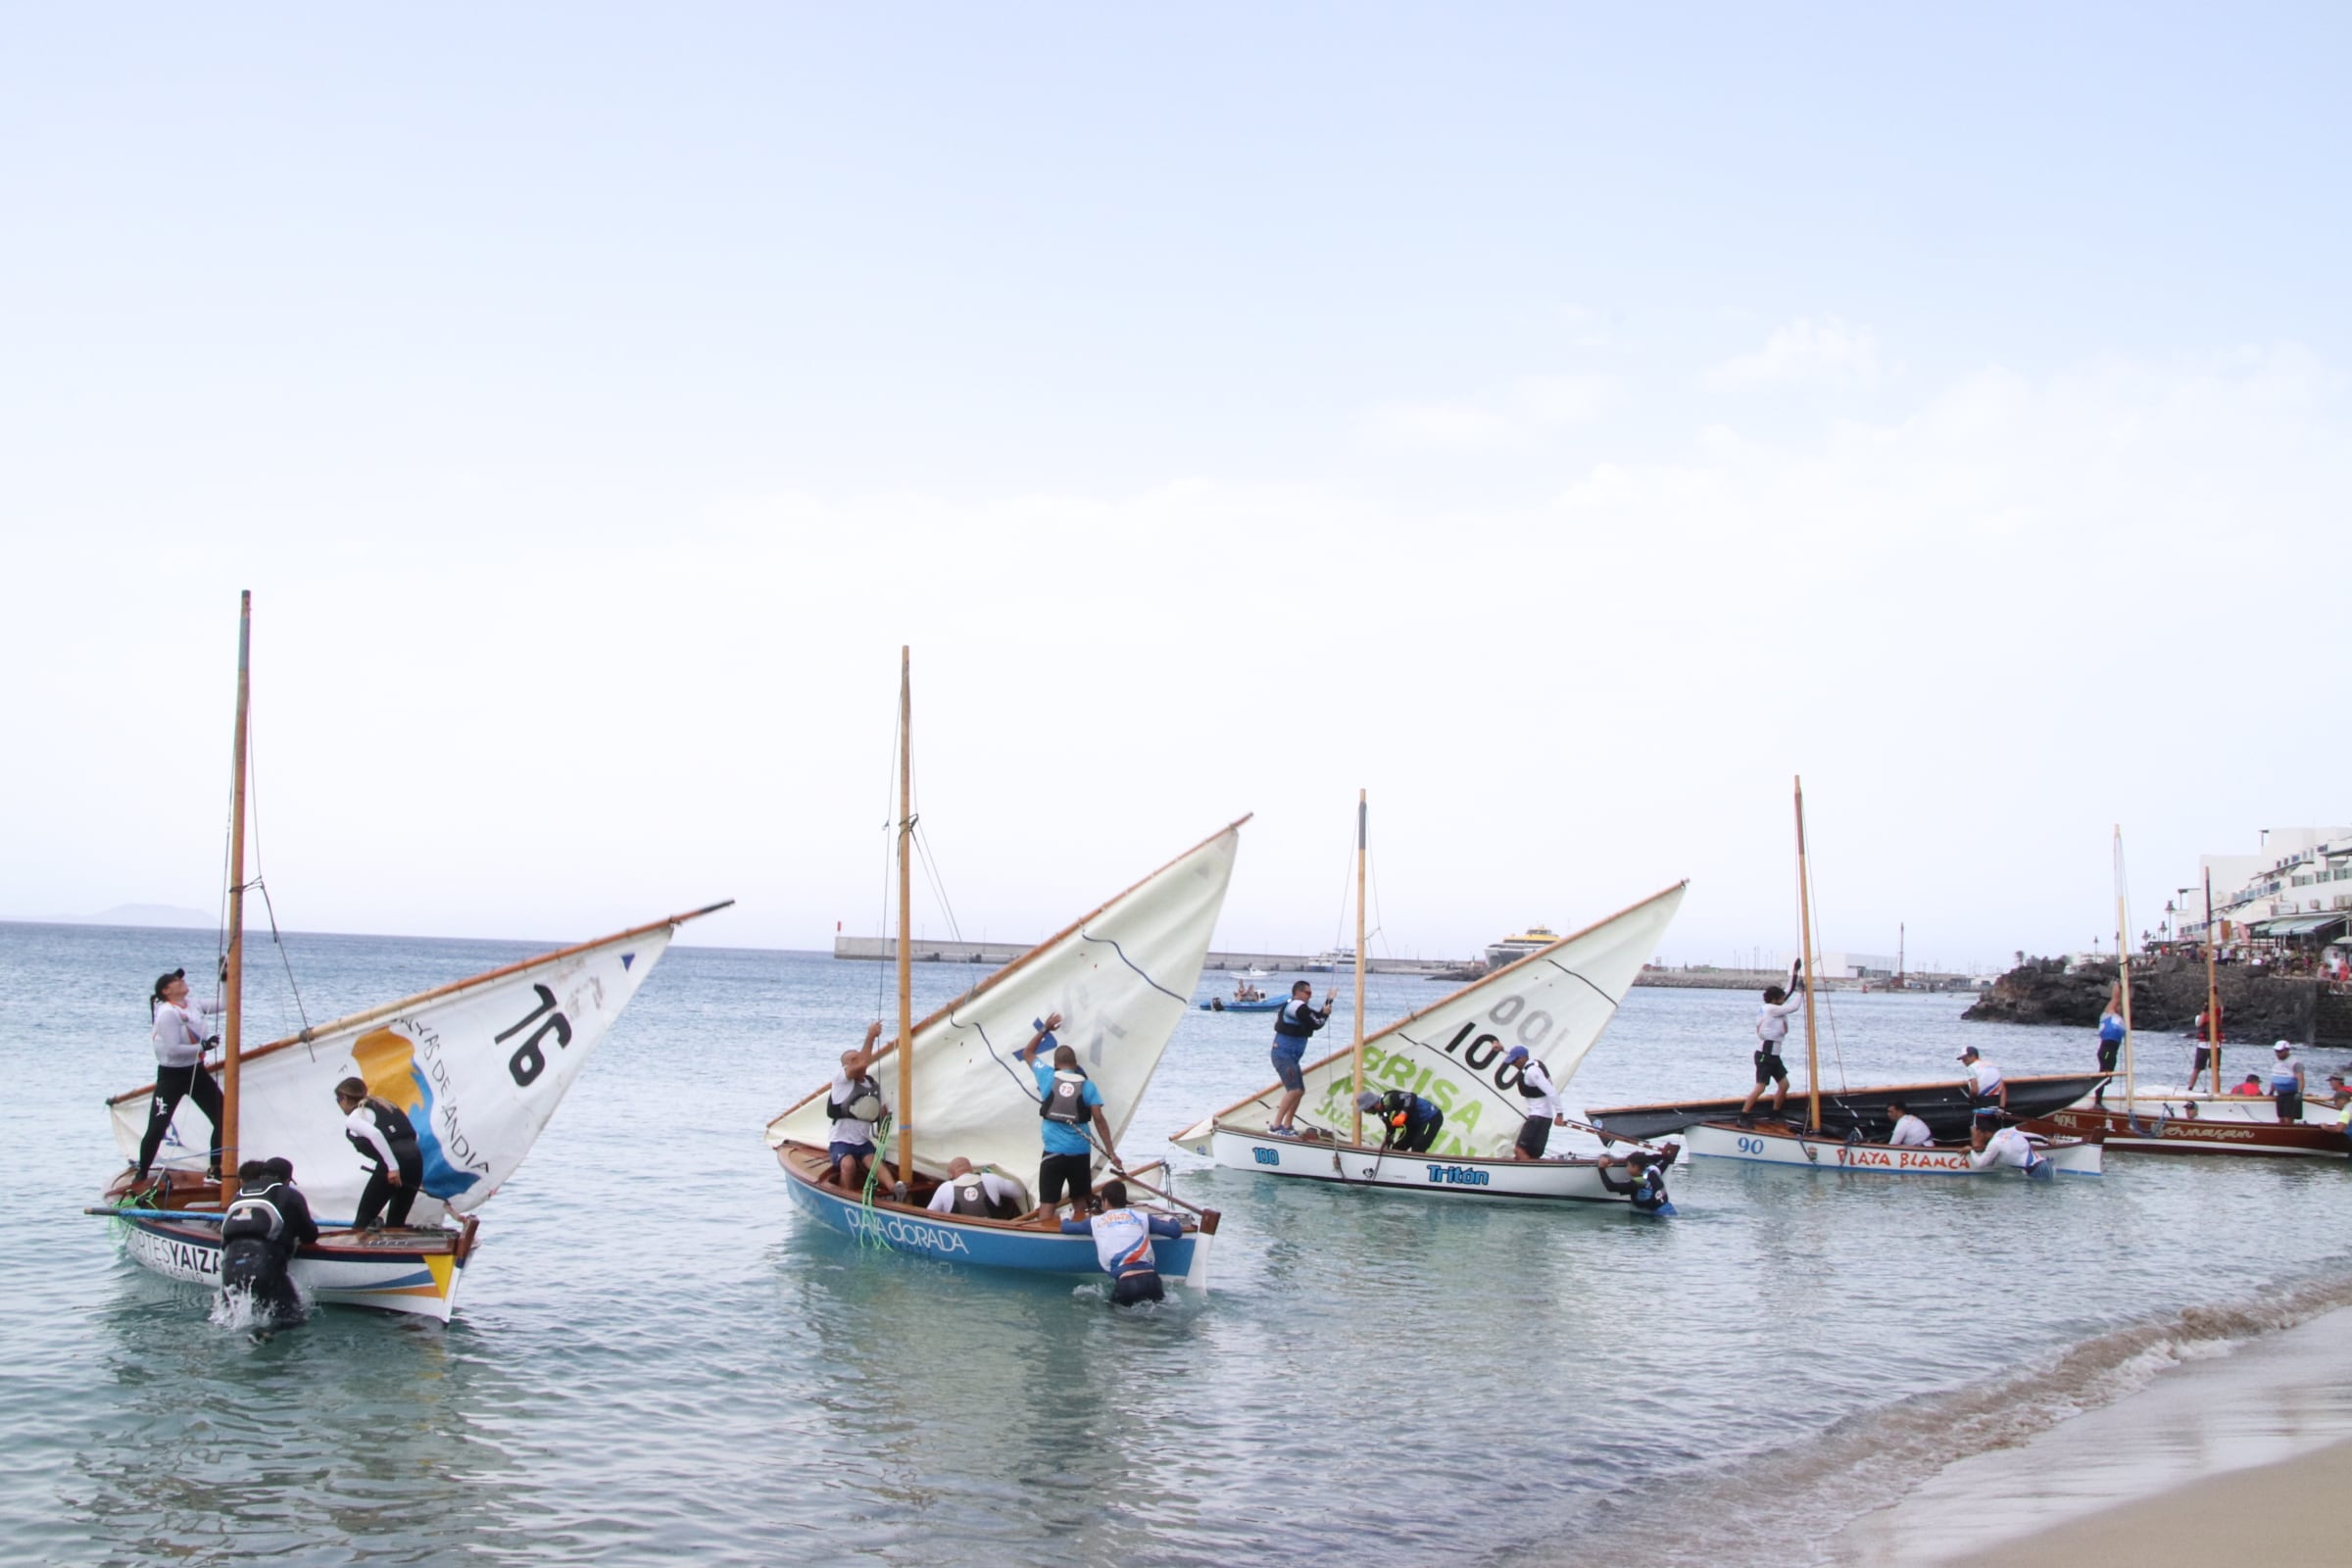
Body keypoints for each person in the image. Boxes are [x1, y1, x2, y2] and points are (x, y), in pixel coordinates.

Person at [1017, 1014, 1123, 1212]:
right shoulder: (1088, 1086)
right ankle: (1078, 1234)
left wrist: (1045, 1029)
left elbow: (1027, 1053)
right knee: (1080, 1202)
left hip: (1053, 1154)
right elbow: (1099, 1120)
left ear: (1056, 1064)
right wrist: (1111, 1152)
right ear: (1075, 1065)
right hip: (1080, 1154)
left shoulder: (1047, 1075)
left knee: (1047, 1203)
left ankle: (1045, 1239)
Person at [135, 967, 226, 1183]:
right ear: (166, 990)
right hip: (172, 1076)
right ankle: (142, 1172)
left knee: (223, 1118)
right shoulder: (167, 1012)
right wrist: (203, 1045)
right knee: (157, 1127)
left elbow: (224, 1004)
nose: (182, 982)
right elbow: (173, 1048)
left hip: (196, 1072)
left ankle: (215, 1169)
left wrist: (225, 980)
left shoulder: (193, 1004)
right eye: (177, 981)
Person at [218, 1155, 318, 1327]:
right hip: (265, 1265)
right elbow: (310, 1234)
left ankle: (257, 1336)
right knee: (291, 1320)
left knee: (236, 1320)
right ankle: (263, 1335)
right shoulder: (290, 1194)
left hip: (229, 1267)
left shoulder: (241, 1194)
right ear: (287, 1179)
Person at [1058, 1179, 1182, 1306]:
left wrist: (1066, 1217)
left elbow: (1066, 1228)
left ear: (1105, 1202)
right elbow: (1175, 1232)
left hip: (1127, 1284)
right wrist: (1170, 1217)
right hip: (1153, 1282)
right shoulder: (1141, 1217)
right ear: (1125, 1200)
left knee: (1118, 1319)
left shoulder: (1095, 1222)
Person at [334, 1076, 422, 1229]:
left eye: (338, 1100)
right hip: (415, 1160)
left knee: (363, 1220)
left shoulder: (355, 1117)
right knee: (396, 1222)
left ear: (344, 1098)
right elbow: (413, 1135)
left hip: (394, 1163)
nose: (339, 1105)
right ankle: (400, 1251)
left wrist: (393, 1168)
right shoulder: (385, 1104)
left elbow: (376, 1135)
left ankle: (357, 1251)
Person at [823, 1022, 893, 1192]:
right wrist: (871, 1037)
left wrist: (884, 1124)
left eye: (858, 1058)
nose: (857, 1062)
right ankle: (845, 1196)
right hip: (841, 1142)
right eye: (852, 1060)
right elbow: (862, 1065)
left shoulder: (872, 1085)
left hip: (863, 1141)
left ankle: (895, 1188)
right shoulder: (841, 1080)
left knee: (873, 1162)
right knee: (848, 1164)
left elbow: (883, 1111)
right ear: (844, 1066)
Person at [1266, 982, 1333, 1137]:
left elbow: (1316, 1017)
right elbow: (1317, 1022)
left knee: (1300, 1091)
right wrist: (1325, 1013)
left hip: (1292, 1057)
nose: (1310, 996)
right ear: (1298, 993)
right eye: (1308, 993)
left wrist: (1329, 1001)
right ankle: (1276, 1126)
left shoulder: (1300, 1008)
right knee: (1294, 1090)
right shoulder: (1296, 1006)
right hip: (1283, 1055)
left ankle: (1287, 1125)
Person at [1740, 968, 1806, 1124]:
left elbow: (1787, 991)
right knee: (1761, 1087)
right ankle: (1743, 1115)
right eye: (1781, 998)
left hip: (1775, 1054)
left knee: (1784, 1085)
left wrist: (1795, 973)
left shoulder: (1774, 1006)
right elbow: (1793, 1007)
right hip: (1765, 1054)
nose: (1784, 999)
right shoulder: (1770, 1009)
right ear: (1775, 999)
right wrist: (1802, 993)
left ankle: (1775, 1113)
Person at [1504, 1045, 1567, 1159]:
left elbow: (1551, 1091)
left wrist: (1560, 1114)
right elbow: (1516, 1054)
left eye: (1514, 1061)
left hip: (1537, 1118)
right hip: (1545, 1118)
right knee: (1533, 1155)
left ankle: (1526, 1176)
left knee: (1519, 1150)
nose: (1513, 1064)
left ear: (1523, 1058)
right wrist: (1502, 1049)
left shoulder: (1532, 1072)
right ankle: (1535, 1175)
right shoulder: (1534, 1063)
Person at [925, 1155, 1025, 1220]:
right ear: (971, 1169)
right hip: (991, 1231)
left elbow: (928, 1215)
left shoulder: (945, 1188)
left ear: (951, 1174)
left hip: (960, 1235)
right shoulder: (990, 1178)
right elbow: (1019, 1192)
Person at [1353, 1088, 1444, 1153]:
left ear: (1372, 1104)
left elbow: (1411, 1097)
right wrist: (1386, 1146)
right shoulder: (1382, 1114)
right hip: (1414, 1124)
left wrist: (1403, 1113)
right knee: (1398, 1148)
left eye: (1366, 1109)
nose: (1366, 1112)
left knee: (1418, 1146)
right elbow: (1391, 1129)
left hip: (1430, 1117)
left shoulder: (1390, 1098)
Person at [1594, 1150, 1673, 1213]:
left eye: (1628, 1165)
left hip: (1657, 1217)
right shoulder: (1653, 1171)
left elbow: (1611, 1187)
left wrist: (1601, 1168)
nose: (1627, 1168)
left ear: (1635, 1167)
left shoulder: (1635, 1183)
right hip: (1670, 1209)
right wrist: (1643, 1158)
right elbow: (1666, 1159)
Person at [1967, 1121, 2051, 1179]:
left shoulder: (1994, 1144)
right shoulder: (2007, 1131)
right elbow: (2029, 1135)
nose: (1977, 1136)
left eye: (1977, 1134)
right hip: (2046, 1164)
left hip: (2035, 1170)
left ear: (1983, 1133)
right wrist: (2047, 1140)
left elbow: (1980, 1164)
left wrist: (1971, 1150)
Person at [2092, 986, 2127, 1105]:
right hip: (2106, 1049)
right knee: (2104, 1074)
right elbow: (2115, 997)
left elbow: (2123, 1000)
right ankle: (2097, 1102)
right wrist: (2119, 982)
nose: (2120, 1007)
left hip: (2113, 1051)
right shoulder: (2108, 1014)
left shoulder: (2121, 1019)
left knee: (2109, 1078)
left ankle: (2098, 1092)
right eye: (2118, 1006)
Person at [1959, 1046, 2007, 1121]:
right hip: (1997, 1106)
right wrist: (2002, 1108)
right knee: (1993, 1131)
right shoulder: (1991, 1065)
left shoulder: (1971, 1068)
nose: (1963, 1061)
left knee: (1977, 1130)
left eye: (1965, 1058)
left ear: (1973, 1056)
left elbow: (1974, 1090)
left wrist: (1970, 1100)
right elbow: (2003, 1089)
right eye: (1962, 1059)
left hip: (1982, 1105)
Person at [2270, 1042, 2306, 1123]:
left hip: (2291, 1095)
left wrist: (2299, 1093)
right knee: (2281, 1118)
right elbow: (2275, 1077)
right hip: (2280, 1095)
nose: (2278, 1054)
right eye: (2276, 1051)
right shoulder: (2276, 1062)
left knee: (2288, 1119)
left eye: (2280, 1051)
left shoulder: (2295, 1063)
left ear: (2287, 1050)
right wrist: (2271, 1091)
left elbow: (2301, 1079)